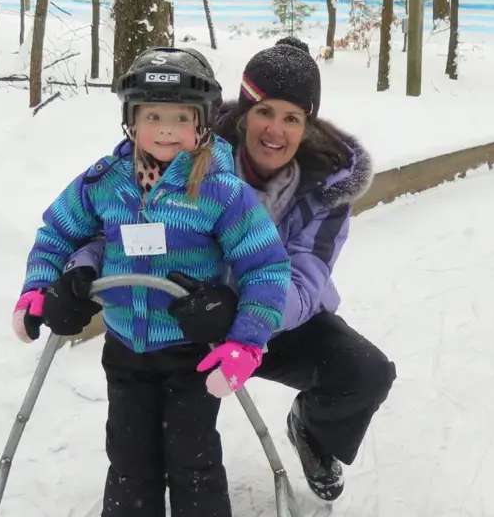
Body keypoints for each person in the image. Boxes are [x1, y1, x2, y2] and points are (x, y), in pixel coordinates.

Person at [65, 37, 397, 503]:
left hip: (275, 316)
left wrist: (242, 317)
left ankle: (313, 434)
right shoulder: (187, 145)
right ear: (243, 114)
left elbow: (303, 278)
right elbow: (121, 223)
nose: (274, 131)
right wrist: (79, 267)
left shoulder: (326, 187)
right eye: (264, 112)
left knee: (365, 373)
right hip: (187, 324)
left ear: (308, 126)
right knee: (161, 440)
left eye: (292, 118)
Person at [10, 46, 293, 517]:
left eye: (181, 118)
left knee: (192, 460)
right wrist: (40, 288)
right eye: (153, 115)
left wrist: (246, 340)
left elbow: (265, 265)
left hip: (191, 353)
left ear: (202, 124)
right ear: (130, 120)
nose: (165, 129)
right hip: (125, 350)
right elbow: (57, 232)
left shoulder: (220, 190)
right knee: (128, 458)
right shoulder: (104, 182)